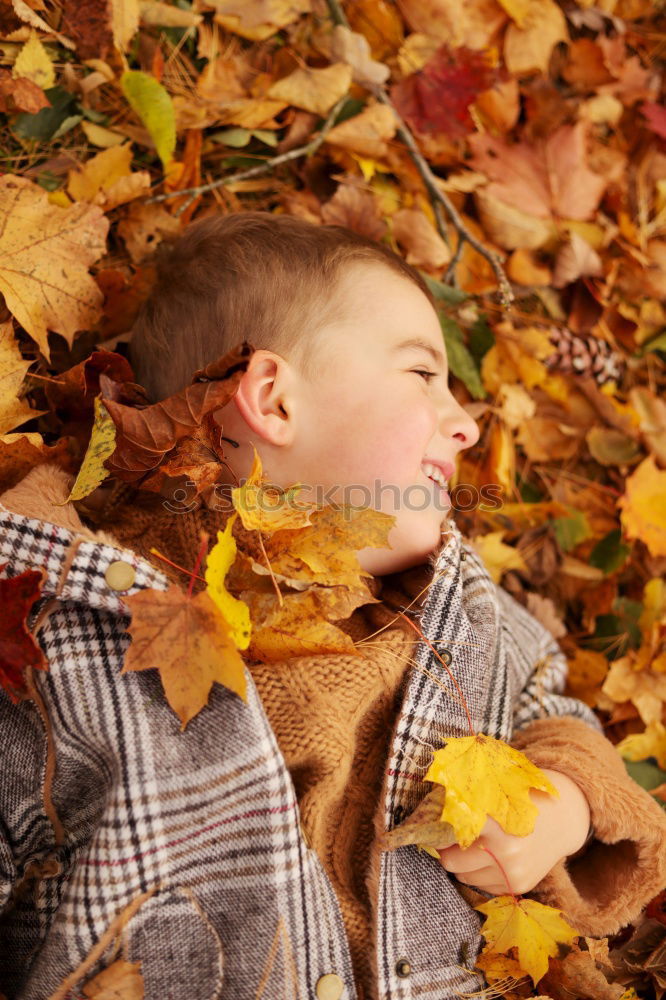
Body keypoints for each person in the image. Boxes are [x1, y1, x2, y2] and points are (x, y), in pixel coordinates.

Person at [1, 212, 664, 1000]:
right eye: (423, 374)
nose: (467, 422)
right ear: (273, 399)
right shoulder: (67, 627)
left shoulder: (466, 616)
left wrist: (567, 807)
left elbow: (557, 711)